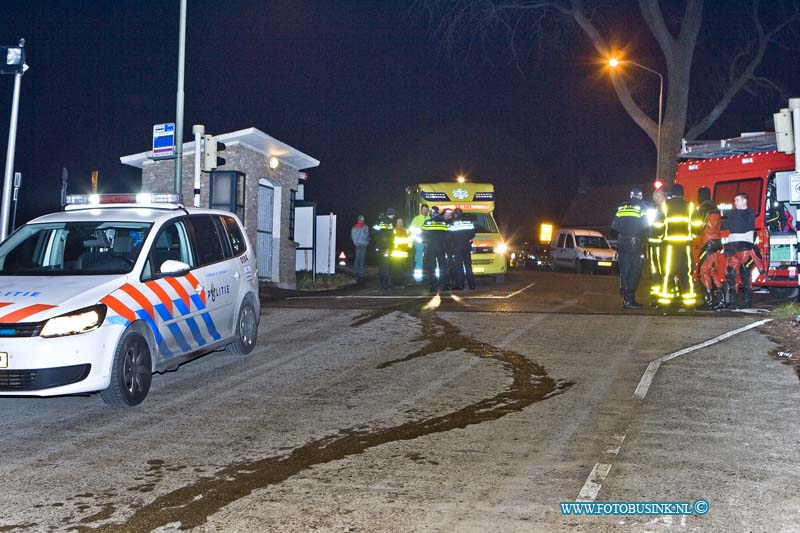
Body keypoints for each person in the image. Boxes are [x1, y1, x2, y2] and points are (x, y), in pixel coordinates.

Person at [652, 184, 702, 307]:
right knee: (686, 274)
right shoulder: (690, 207)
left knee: (668, 274)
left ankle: (665, 304)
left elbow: (657, 226)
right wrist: (692, 236)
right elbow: (698, 225)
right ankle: (689, 304)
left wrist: (661, 237)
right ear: (682, 193)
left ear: (671, 194)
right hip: (685, 246)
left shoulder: (664, 207)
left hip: (669, 247)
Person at [722, 193, 761, 309]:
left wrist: (732, 216)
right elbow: (725, 225)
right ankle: (732, 301)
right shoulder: (734, 213)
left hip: (744, 248)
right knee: (731, 273)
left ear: (744, 201)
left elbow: (744, 225)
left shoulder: (749, 213)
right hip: (733, 247)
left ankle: (747, 301)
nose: (735, 203)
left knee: (745, 274)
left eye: (737, 200)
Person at [611, 186, 648, 309]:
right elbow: (646, 226)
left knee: (625, 270)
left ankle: (625, 295)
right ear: (640, 196)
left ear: (631, 195)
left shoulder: (622, 207)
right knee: (635, 272)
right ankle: (630, 299)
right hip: (635, 244)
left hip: (622, 243)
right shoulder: (642, 208)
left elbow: (614, 226)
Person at [693, 187, 726, 309]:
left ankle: (709, 301)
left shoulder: (703, 209)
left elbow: (698, 227)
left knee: (704, 272)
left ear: (701, 196)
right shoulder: (716, 208)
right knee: (714, 272)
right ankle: (721, 300)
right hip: (717, 241)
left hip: (707, 242)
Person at [646, 189, 667, 306]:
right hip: (655, 245)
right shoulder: (658, 209)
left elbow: (658, 228)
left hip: (659, 245)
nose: (654, 200)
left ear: (660, 197)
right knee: (655, 272)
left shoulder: (662, 210)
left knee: (658, 271)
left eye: (655, 197)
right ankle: (656, 296)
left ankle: (659, 297)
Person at [422, 206, 449, 292]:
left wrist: (426, 242)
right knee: (442, 267)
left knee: (432, 267)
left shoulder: (427, 222)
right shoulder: (443, 222)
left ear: (432, 212)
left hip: (431, 247)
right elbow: (448, 234)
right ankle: (444, 285)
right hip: (441, 247)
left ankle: (433, 286)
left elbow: (423, 234)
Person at [449, 208, 476, 290]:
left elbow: (450, 236)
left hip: (457, 247)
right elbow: (473, 234)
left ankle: (460, 285)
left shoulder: (453, 223)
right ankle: (472, 285)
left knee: (459, 267)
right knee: (468, 266)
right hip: (467, 247)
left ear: (455, 214)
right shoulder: (468, 222)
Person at [372, 208, 396, 290]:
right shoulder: (389, 223)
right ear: (392, 214)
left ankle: (382, 283)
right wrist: (389, 247)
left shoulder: (379, 221)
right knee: (386, 266)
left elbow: (373, 231)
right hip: (386, 247)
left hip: (379, 246)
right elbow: (390, 236)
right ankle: (385, 284)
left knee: (382, 265)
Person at [409, 204, 430, 283]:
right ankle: (418, 279)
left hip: (429, 242)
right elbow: (411, 230)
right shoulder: (416, 219)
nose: (425, 211)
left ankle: (430, 277)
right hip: (419, 242)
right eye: (424, 209)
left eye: (426, 210)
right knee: (419, 260)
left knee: (431, 260)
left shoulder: (430, 219)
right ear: (421, 210)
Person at [391, 217, 411, 286]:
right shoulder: (393, 230)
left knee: (403, 269)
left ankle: (403, 282)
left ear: (403, 223)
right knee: (396, 269)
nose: (400, 223)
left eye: (401, 222)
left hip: (404, 253)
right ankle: (396, 283)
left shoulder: (406, 230)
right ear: (396, 223)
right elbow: (391, 240)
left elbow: (410, 239)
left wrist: (409, 248)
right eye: (398, 222)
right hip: (395, 253)